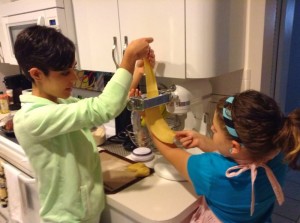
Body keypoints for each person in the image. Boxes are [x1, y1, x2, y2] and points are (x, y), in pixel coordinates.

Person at [12, 25, 154, 223]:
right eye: (64, 72)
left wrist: (136, 72)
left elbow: (104, 105)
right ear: (36, 74)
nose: (74, 77)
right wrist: (128, 58)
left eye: (73, 67)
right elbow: (103, 108)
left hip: (84, 212)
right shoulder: (32, 118)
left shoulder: (59, 102)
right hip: (66, 218)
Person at [149, 90, 300, 223]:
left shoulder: (211, 170)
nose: (212, 128)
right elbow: (242, 155)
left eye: (214, 130)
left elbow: (170, 151)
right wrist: (203, 141)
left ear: (234, 146)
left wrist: (150, 117)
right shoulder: (280, 156)